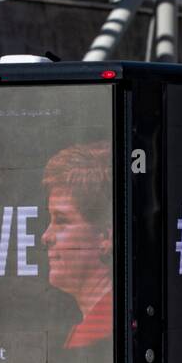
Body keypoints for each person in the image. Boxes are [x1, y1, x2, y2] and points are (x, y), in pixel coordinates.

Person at [40, 141, 112, 349]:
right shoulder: (100, 326)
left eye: (61, 221)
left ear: (104, 237)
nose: (45, 236)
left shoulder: (98, 336)